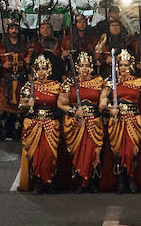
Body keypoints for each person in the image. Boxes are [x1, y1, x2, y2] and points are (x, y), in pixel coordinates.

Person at [99, 49, 141, 193]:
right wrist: (108, 107)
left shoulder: (139, 82)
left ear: (131, 66)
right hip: (116, 119)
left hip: (133, 119)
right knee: (118, 151)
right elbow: (102, 99)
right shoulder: (111, 82)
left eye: (126, 65)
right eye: (121, 65)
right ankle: (121, 180)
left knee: (131, 150)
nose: (123, 68)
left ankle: (131, 176)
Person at [57, 52, 105, 193]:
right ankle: (79, 180)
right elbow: (61, 103)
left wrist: (103, 104)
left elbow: (104, 97)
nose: (84, 69)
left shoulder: (98, 81)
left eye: (87, 66)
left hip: (94, 122)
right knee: (78, 151)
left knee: (93, 152)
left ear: (91, 67)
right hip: (75, 123)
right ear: (77, 67)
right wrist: (73, 111)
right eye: (82, 66)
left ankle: (92, 181)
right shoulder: (69, 83)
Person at [18, 55, 63, 194]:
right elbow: (20, 107)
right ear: (35, 71)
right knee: (36, 154)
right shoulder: (29, 86)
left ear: (48, 70)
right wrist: (27, 104)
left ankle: (49, 180)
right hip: (34, 124)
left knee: (50, 153)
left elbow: (61, 105)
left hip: (51, 123)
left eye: (44, 69)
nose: (41, 72)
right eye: (39, 69)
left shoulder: (56, 86)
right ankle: (37, 181)